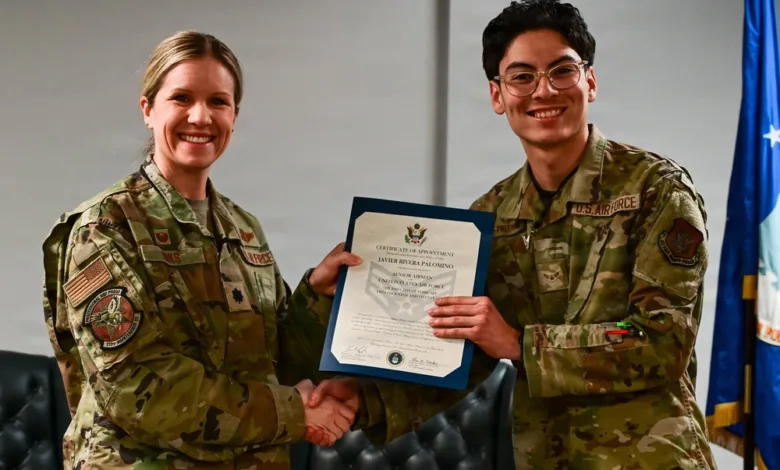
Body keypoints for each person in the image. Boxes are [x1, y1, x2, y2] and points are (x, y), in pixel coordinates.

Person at [41, 30, 378, 469]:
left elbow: (275, 365)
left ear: (234, 115)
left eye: (218, 102)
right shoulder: (106, 228)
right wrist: (297, 412)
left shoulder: (242, 228)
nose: (200, 117)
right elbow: (139, 388)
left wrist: (315, 294)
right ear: (148, 109)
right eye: (181, 98)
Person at [422, 1, 717, 468]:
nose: (544, 91)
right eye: (522, 77)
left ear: (590, 82)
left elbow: (662, 341)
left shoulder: (656, 190)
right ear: (498, 95)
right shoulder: (489, 215)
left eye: (562, 71)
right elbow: (464, 351)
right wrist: (355, 394)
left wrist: (520, 344)